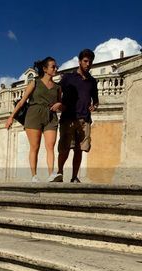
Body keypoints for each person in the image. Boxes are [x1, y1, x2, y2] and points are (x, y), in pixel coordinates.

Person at [6, 56, 63, 182]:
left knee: (50, 146)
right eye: (53, 66)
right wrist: (11, 117)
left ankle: (51, 174)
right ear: (45, 69)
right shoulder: (35, 83)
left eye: (56, 66)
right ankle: (34, 176)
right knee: (35, 147)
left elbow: (61, 105)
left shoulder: (58, 87)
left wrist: (59, 105)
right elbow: (22, 102)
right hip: (33, 116)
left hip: (50, 116)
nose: (56, 68)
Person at [56, 49, 98, 183]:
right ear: (79, 61)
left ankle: (74, 177)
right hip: (68, 118)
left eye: (90, 62)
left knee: (79, 150)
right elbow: (57, 91)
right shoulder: (68, 77)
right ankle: (59, 173)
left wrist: (94, 105)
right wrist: (59, 104)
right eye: (85, 61)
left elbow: (95, 100)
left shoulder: (92, 81)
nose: (88, 64)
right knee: (64, 149)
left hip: (84, 119)